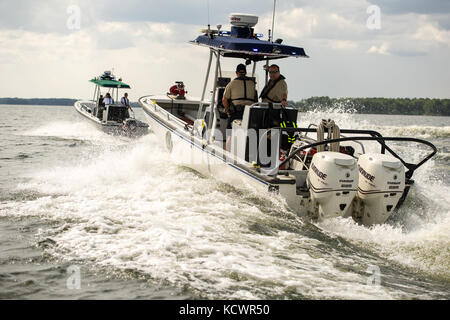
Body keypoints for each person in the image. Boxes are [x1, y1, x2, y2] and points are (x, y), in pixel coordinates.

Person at [222, 63, 256, 129]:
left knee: (229, 131)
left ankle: (228, 139)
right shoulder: (252, 84)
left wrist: (227, 112)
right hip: (250, 113)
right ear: (245, 72)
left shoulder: (231, 84)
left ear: (236, 73)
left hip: (237, 113)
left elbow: (224, 100)